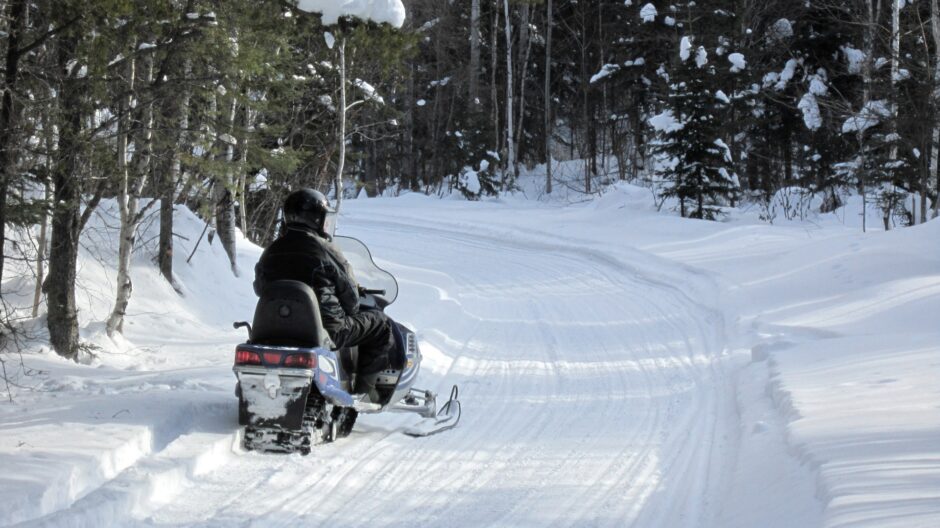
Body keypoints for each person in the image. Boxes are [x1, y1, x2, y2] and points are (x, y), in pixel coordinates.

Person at [253, 188, 394, 399]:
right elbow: (352, 302)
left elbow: (260, 288)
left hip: (272, 330)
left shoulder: (271, 250)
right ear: (317, 218)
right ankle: (363, 393)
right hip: (326, 331)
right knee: (381, 324)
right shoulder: (326, 249)